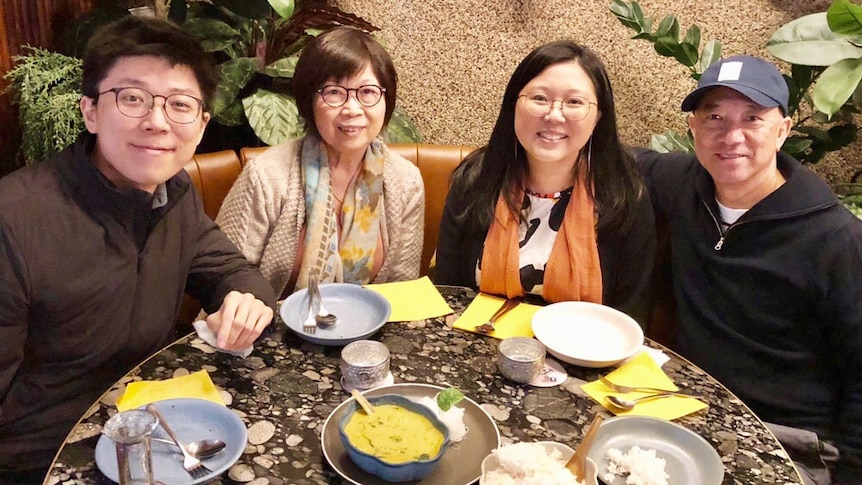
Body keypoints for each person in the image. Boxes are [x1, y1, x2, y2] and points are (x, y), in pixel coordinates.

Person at [0, 16, 276, 482]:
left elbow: (232, 270)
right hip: (44, 459)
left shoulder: (173, 196)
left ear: (202, 124)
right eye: (132, 98)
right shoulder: (15, 219)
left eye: (181, 105)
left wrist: (246, 302)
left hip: (155, 431)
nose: (156, 122)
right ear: (90, 111)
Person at [637, 55, 862, 485]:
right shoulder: (685, 184)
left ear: (783, 130)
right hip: (688, 413)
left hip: (788, 443)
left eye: (752, 118)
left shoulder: (838, 240)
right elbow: (620, 158)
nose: (731, 136)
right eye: (715, 117)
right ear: (693, 129)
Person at [435, 40, 656, 323]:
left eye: (574, 102)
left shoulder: (624, 198)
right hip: (481, 346)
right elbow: (449, 295)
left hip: (584, 357)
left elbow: (630, 316)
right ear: (514, 104)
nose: (554, 115)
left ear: (599, 116)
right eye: (539, 98)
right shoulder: (475, 181)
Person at [216, 27, 424, 297]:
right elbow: (225, 279)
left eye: (368, 92)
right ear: (308, 101)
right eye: (334, 92)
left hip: (369, 335)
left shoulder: (405, 180)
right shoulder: (267, 176)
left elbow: (403, 292)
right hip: (269, 332)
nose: (352, 108)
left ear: (386, 100)